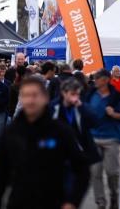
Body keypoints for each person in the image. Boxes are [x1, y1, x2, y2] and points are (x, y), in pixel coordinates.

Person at [0, 75, 85, 209]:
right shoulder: (11, 133)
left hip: (53, 202)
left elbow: (82, 169)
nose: (30, 100)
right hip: (19, 202)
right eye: (26, 95)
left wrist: (73, 201)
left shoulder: (61, 131)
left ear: (45, 98)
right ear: (20, 98)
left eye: (35, 95)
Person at [50, 78, 101, 207]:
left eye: (78, 94)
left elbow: (95, 122)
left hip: (78, 156)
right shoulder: (53, 107)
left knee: (74, 192)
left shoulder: (80, 107)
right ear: (64, 93)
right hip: (57, 156)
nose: (76, 97)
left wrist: (81, 106)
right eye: (73, 94)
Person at [85, 69, 120, 209]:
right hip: (94, 138)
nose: (95, 80)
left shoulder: (116, 97)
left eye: (97, 78)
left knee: (111, 172)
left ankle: (114, 196)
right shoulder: (91, 95)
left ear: (105, 80)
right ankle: (100, 203)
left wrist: (114, 114)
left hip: (111, 139)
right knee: (95, 172)